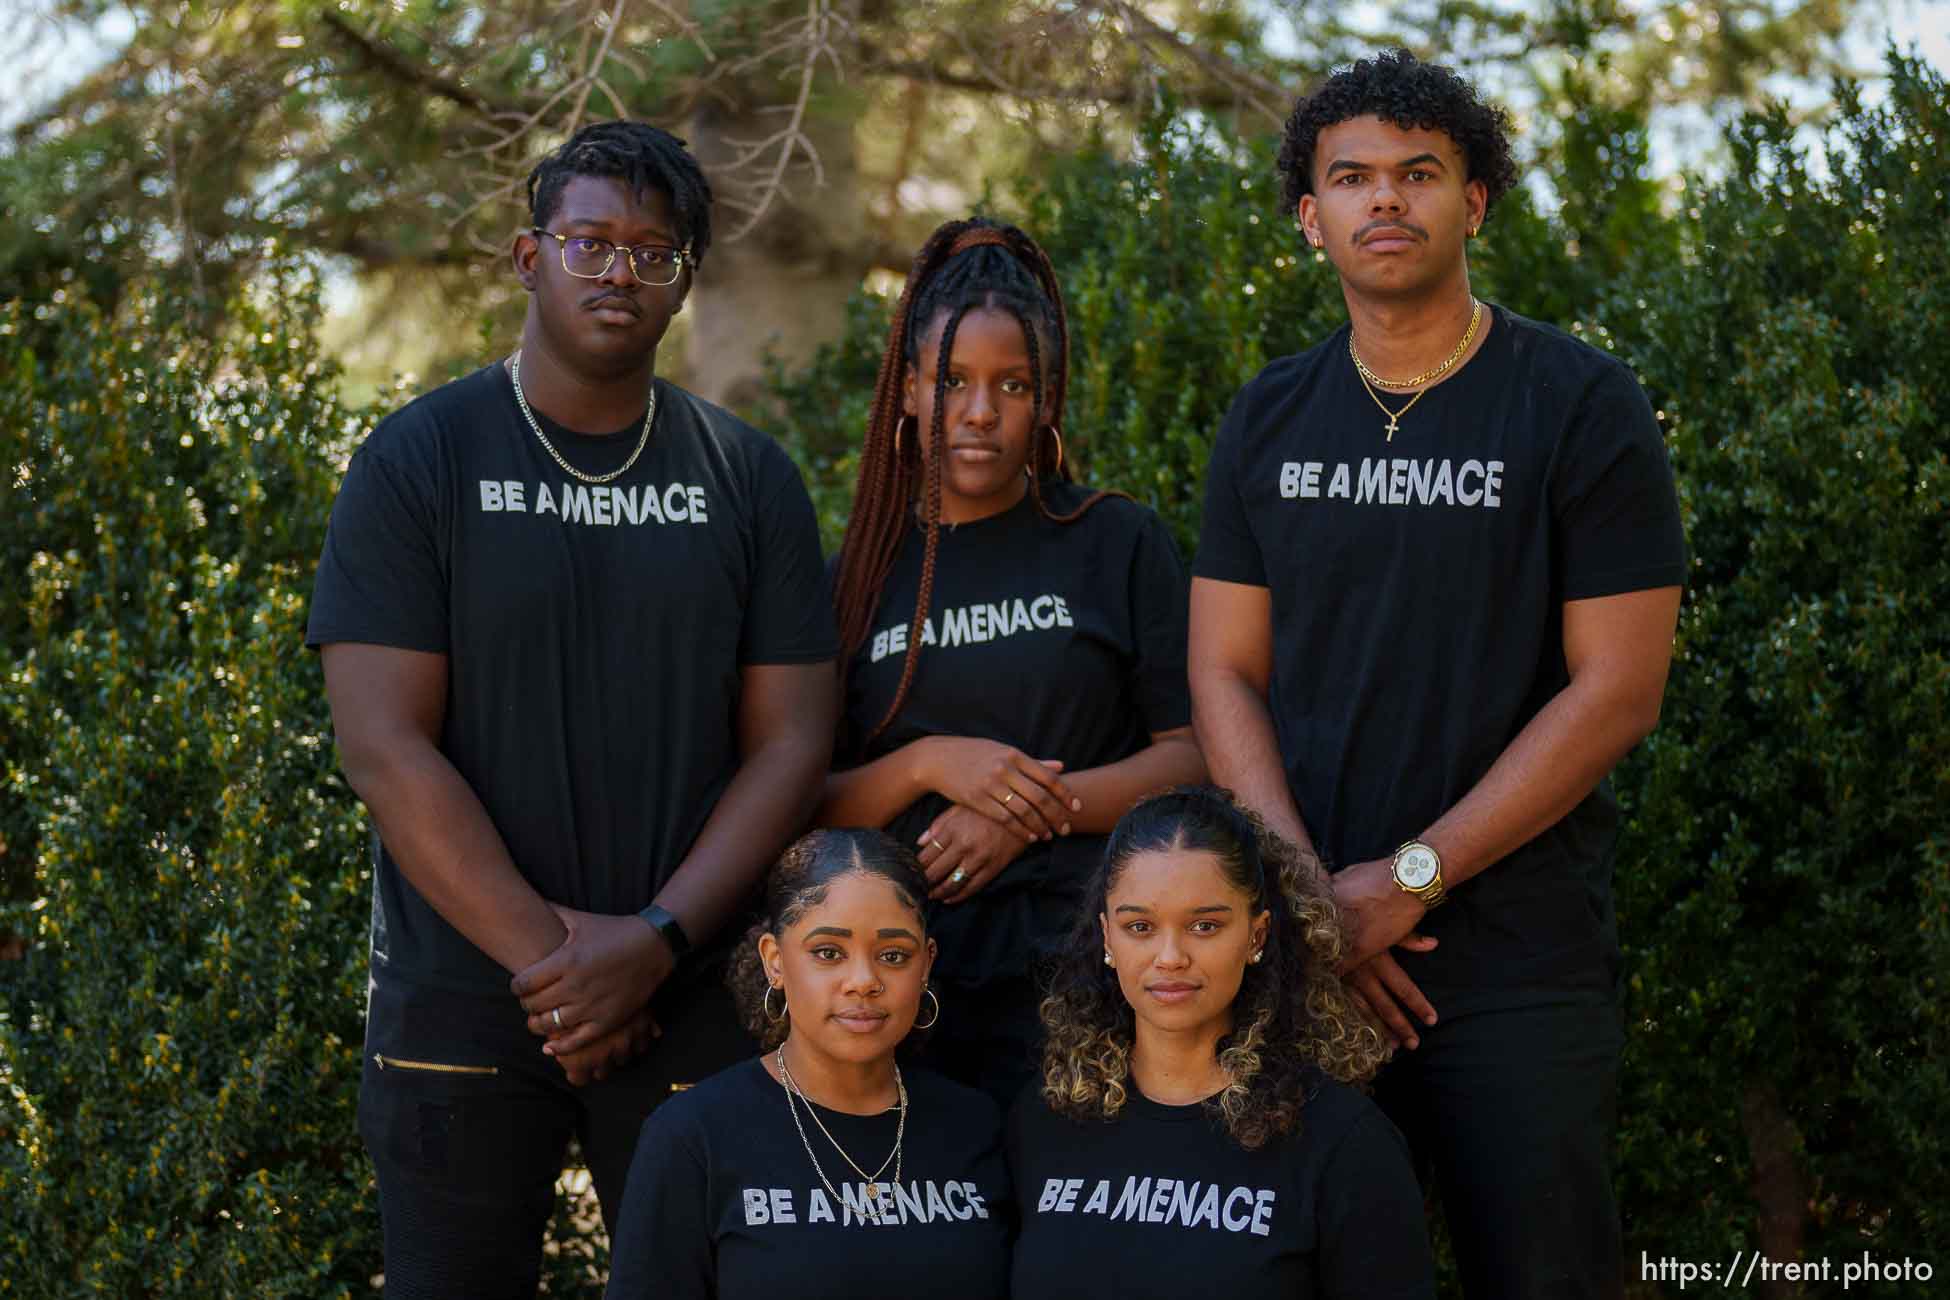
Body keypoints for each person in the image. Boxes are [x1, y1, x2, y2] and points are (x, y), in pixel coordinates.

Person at [306, 121, 839, 1297]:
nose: (620, 272)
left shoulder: (747, 478)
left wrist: (649, 944)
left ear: (685, 281)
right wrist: (563, 969)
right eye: (591, 240)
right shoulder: (418, 459)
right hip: (461, 1000)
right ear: (526, 256)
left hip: (687, 995)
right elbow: (382, 745)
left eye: (656, 253)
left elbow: (794, 742)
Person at [1189, 50, 1687, 1299]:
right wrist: (1309, 900)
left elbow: (1618, 689)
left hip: (1515, 968)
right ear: (1311, 218)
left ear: (1477, 200)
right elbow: (1223, 673)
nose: (1385, 200)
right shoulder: (1268, 417)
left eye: (1420, 172)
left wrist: (1409, 881)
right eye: (1350, 177)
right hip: (1301, 960)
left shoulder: (1580, 404)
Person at [817, 217, 1206, 1105]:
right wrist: (928, 763)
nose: (980, 412)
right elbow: (808, 801)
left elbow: (1193, 759)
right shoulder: (858, 578)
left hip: (1088, 982)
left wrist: (1027, 814)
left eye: (1013, 385)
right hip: (898, 1001)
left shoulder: (1114, 540)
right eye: (951, 381)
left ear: (1047, 396)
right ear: (907, 391)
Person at [1010, 786, 1433, 1298]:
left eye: (1204, 925)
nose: (1170, 956)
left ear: (1256, 936)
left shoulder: (1343, 1143)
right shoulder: (1044, 1121)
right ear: (1106, 937)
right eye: (1139, 926)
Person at [606, 828, 1013, 1299]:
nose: (863, 980)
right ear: (774, 961)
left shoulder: (977, 1126)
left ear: (925, 964)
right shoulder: (695, 1135)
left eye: (893, 955)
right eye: (828, 953)